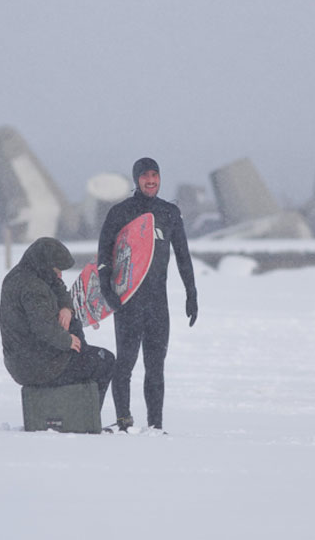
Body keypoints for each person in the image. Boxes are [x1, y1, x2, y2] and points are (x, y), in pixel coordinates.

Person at [98, 157, 197, 431]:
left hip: (157, 304)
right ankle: (124, 422)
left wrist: (192, 293)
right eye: (145, 176)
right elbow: (104, 255)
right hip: (128, 301)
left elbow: (183, 257)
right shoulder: (120, 212)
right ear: (136, 179)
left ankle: (155, 426)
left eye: (155, 175)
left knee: (156, 368)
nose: (151, 180)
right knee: (125, 365)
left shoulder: (170, 213)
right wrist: (108, 291)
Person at [0, 237, 115, 406]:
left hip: (24, 360)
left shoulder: (26, 274)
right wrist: (67, 341)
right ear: (45, 265)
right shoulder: (33, 287)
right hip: (37, 366)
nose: (60, 274)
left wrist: (66, 308)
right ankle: (84, 419)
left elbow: (58, 287)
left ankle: (74, 414)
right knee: (105, 362)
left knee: (74, 331)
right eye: (57, 269)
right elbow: (43, 327)